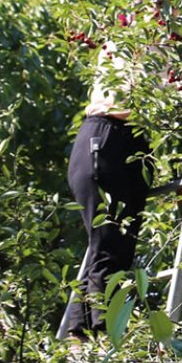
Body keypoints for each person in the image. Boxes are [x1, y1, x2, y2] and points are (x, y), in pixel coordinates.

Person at [64, 40, 156, 340]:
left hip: (118, 146)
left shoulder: (158, 42)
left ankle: (82, 338)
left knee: (111, 251)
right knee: (108, 249)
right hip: (107, 142)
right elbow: (128, 100)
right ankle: (103, 337)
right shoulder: (133, 40)